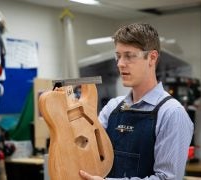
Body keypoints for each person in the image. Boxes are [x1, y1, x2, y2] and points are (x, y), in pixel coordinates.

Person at [79, 23, 193, 180]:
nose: (120, 64)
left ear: (152, 58)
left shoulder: (172, 114)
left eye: (129, 56)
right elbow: (88, 148)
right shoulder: (112, 108)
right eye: (118, 56)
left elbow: (166, 178)